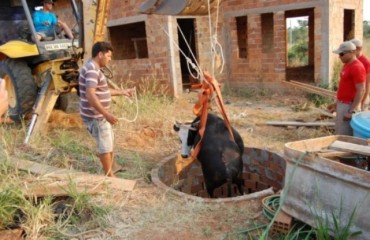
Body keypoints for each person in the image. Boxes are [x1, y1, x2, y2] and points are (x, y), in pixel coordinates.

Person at [79, 41, 135, 177]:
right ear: (100, 54)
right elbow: (90, 94)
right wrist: (105, 114)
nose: (110, 59)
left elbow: (101, 91)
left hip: (99, 116)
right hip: (97, 117)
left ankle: (111, 170)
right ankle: (110, 177)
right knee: (105, 146)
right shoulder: (92, 69)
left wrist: (123, 92)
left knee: (108, 143)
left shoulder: (94, 68)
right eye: (108, 56)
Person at [327, 41, 366, 135]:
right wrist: (336, 103)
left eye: (342, 54)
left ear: (352, 52)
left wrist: (351, 111)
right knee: (340, 132)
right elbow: (345, 87)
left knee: (345, 135)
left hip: (349, 106)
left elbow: (361, 90)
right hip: (343, 104)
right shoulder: (347, 65)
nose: (339, 56)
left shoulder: (357, 67)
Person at [350, 38, 370, 111]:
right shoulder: (352, 60)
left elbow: (367, 85)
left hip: (361, 97)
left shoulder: (366, 63)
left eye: (352, 49)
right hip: (353, 97)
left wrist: (362, 102)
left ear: (359, 48)